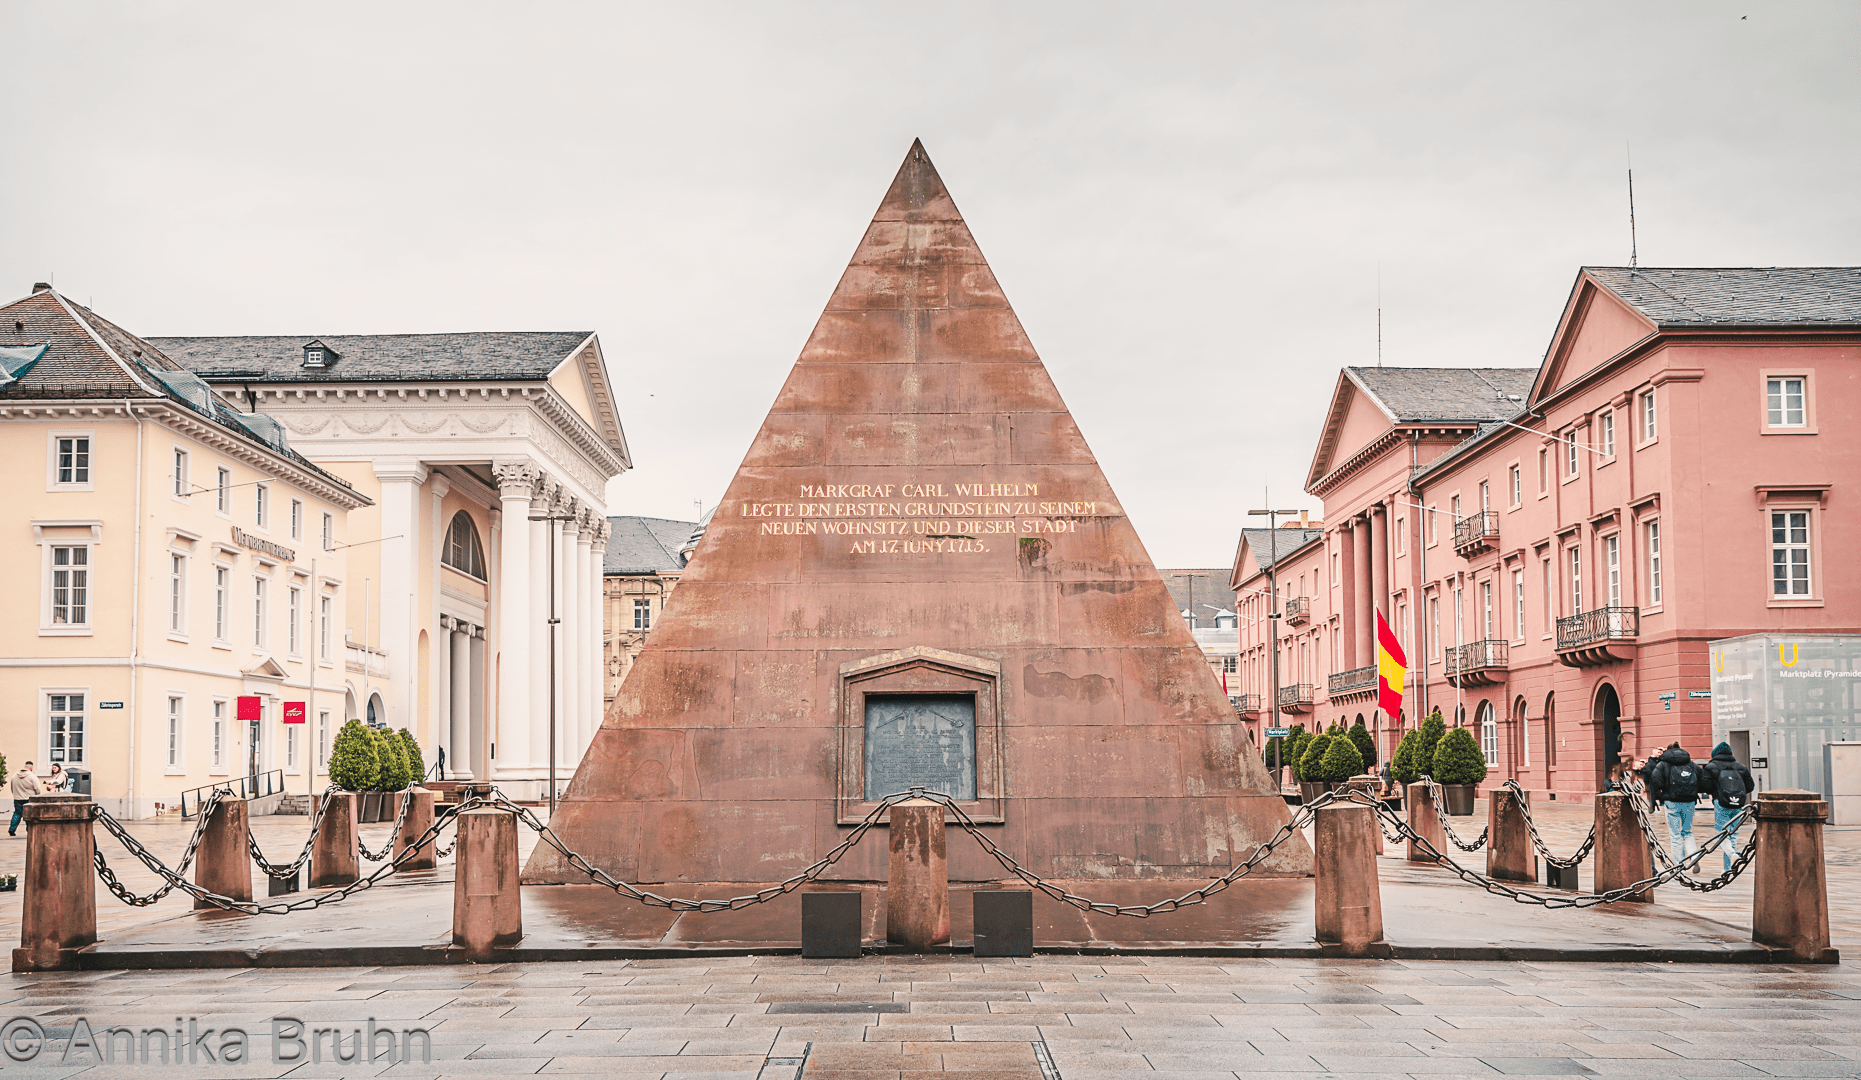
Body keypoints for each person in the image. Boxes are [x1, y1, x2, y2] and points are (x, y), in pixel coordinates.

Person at [1701, 741, 1756, 870]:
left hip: (1721, 803)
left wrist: (1717, 792)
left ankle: (1732, 854)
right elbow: (1750, 786)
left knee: (1721, 833)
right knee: (1733, 835)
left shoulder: (1711, 766)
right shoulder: (1741, 767)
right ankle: (1728, 868)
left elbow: (1705, 786)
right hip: (1738, 805)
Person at [1648, 742, 1703, 861]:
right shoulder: (1691, 764)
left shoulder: (1663, 764)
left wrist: (1659, 797)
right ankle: (1694, 856)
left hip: (1671, 801)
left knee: (1675, 835)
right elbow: (1703, 779)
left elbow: (1654, 781)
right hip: (1689, 801)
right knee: (1687, 831)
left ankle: (1679, 864)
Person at [9, 762, 46, 836]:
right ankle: (29, 829)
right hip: (29, 799)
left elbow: (12, 787)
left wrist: (16, 795)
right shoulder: (32, 776)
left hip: (18, 798)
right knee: (29, 815)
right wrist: (38, 797)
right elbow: (37, 788)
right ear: (31, 768)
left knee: (17, 813)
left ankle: (12, 829)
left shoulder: (14, 776)